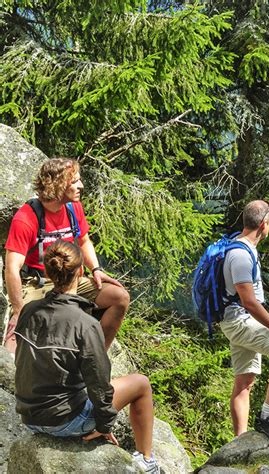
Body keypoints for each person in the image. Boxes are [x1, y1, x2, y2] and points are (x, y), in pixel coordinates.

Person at [14, 240, 160, 473]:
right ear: (81, 272)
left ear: (48, 272)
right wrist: (104, 424)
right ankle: (146, 460)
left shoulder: (29, 310)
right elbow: (99, 382)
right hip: (65, 422)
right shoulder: (86, 324)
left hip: (29, 416)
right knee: (141, 384)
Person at [3, 157, 129, 353]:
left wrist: (95, 269)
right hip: (38, 283)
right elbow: (12, 268)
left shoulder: (73, 208)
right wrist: (19, 310)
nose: (81, 185)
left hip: (71, 281)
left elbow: (84, 240)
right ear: (59, 185)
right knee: (16, 339)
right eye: (75, 181)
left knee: (119, 297)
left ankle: (95, 359)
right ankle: (10, 377)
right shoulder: (26, 218)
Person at [220, 200, 269, 444]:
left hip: (236, 321)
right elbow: (250, 303)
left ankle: (239, 443)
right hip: (240, 321)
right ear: (264, 224)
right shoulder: (241, 256)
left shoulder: (241, 247)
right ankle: (268, 415)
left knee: (244, 382)